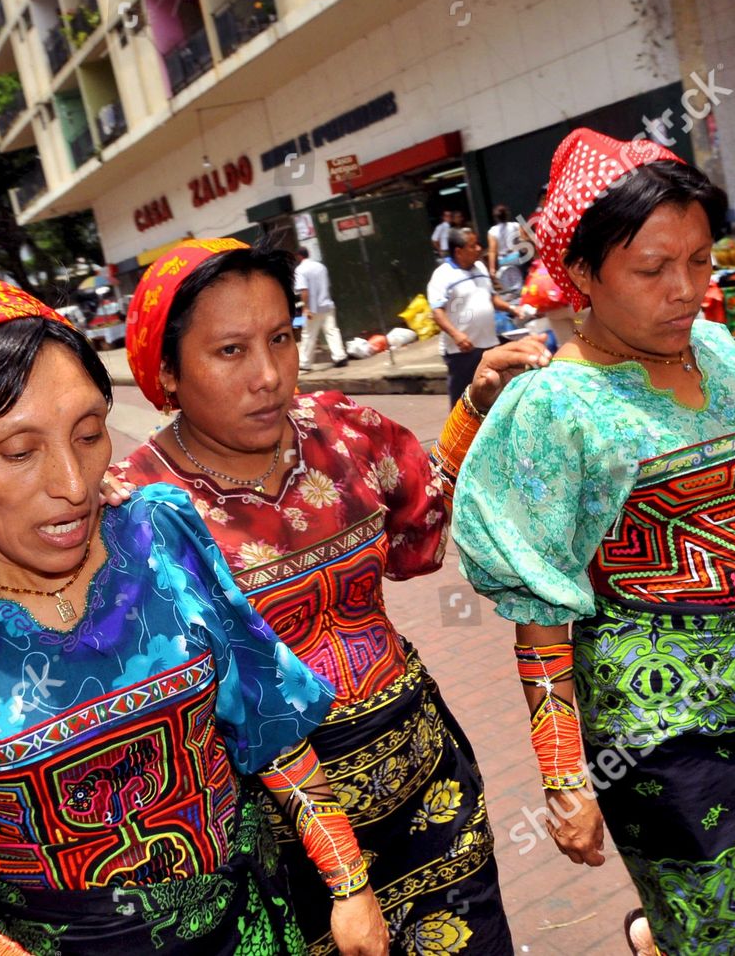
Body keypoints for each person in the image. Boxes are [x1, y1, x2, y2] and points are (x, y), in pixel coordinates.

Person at [0, 278, 387, 956]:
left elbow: (266, 715)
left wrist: (349, 882)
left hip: (256, 933)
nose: (71, 483)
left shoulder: (161, 539)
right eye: (18, 452)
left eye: (88, 435)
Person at [453, 128, 735, 956]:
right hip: (661, 726)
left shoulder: (716, 347)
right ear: (579, 275)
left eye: (701, 262)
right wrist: (566, 775)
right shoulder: (552, 408)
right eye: (651, 269)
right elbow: (538, 610)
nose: (685, 292)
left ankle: (658, 941)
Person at [117, 238, 550, 955]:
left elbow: (421, 533)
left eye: (281, 338)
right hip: (283, 840)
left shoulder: (342, 430)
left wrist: (474, 403)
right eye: (230, 351)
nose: (268, 375)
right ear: (166, 370)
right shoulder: (139, 508)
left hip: (425, 786)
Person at [428, 227, 524, 406]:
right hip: (462, 351)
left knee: (493, 394)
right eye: (473, 246)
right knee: (462, 400)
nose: (479, 248)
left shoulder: (480, 267)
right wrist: (456, 335)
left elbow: (492, 297)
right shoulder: (442, 275)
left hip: (488, 344)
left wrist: (513, 309)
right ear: (459, 251)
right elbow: (437, 312)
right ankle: (457, 434)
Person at [294, 247, 348, 372]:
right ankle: (340, 357)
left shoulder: (300, 270)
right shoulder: (321, 267)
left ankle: (305, 362)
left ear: (299, 256)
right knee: (332, 331)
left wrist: (305, 308)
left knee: (308, 334)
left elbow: (304, 290)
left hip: (313, 308)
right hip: (326, 304)